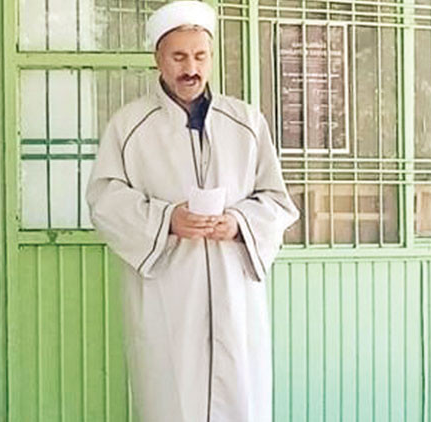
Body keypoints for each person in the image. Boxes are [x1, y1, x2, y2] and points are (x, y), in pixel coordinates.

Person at [86, 1, 298, 421]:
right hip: (169, 296)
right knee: (172, 398)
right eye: (179, 57)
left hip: (234, 296)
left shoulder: (246, 123)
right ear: (158, 59)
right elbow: (105, 201)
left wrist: (238, 222)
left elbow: (276, 201)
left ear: (212, 58)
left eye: (201, 56)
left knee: (239, 398)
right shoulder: (130, 126)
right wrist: (167, 219)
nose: (191, 69)